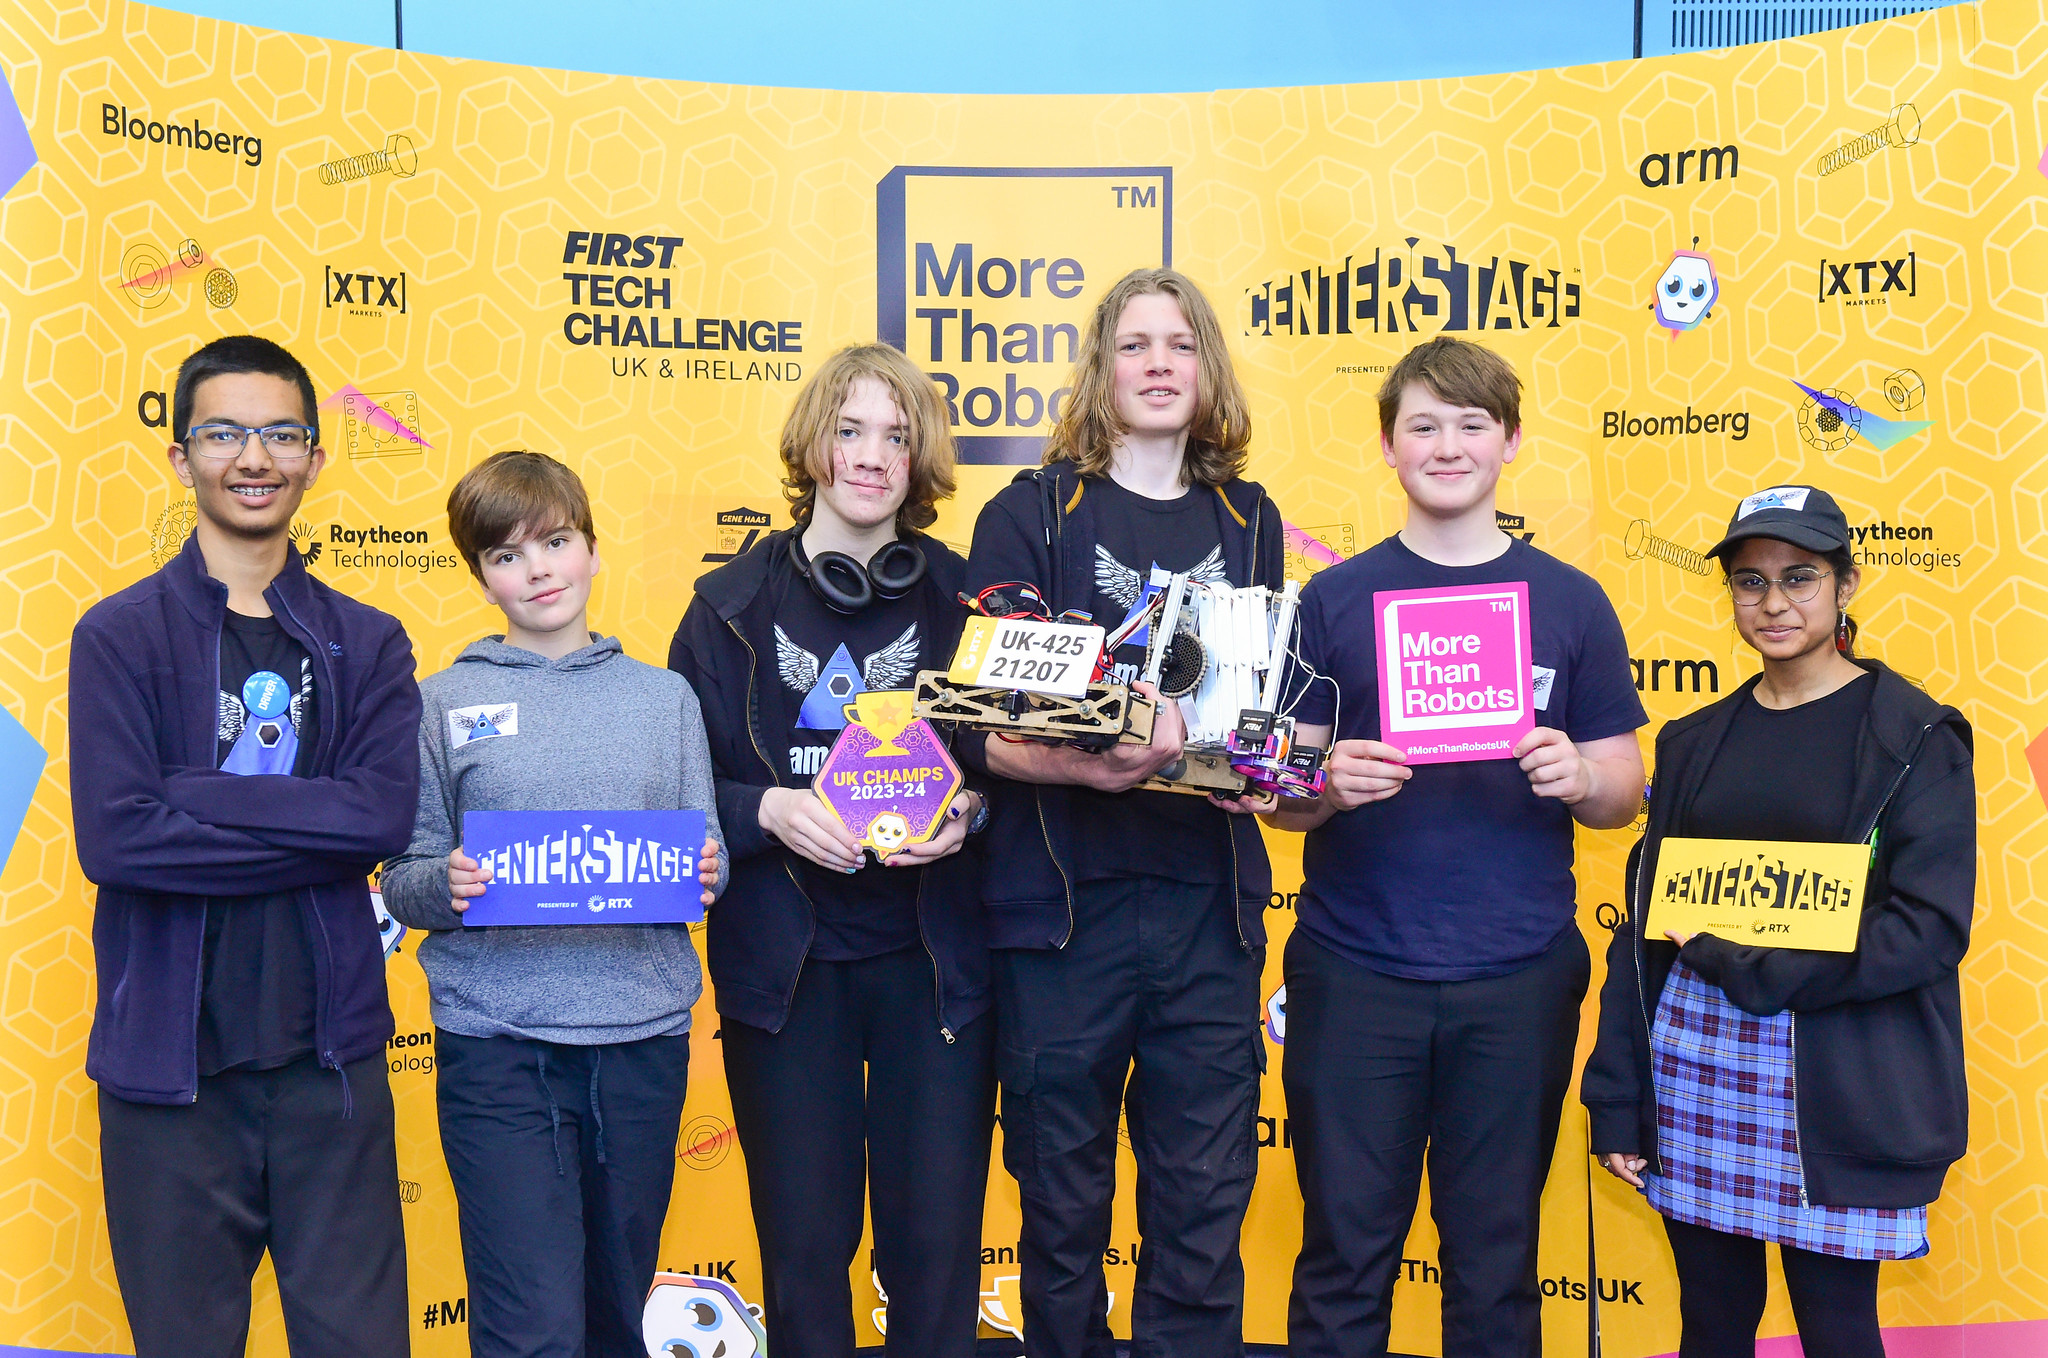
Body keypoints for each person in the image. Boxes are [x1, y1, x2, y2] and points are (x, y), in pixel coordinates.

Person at [1262, 336, 1648, 1357]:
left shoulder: (1568, 601)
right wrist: (1322, 783)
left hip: (1515, 979)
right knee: (1343, 1256)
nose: (1446, 444)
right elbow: (1280, 799)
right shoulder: (1330, 601)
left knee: (1494, 1260)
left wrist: (1581, 776)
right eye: (1422, 425)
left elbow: (1622, 787)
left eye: (1470, 423)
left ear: (1509, 442)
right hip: (1354, 975)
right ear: (1386, 446)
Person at [70, 335, 421, 1357]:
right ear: (181, 456)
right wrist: (317, 823)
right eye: (224, 432)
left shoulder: (370, 640)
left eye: (278, 433)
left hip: (331, 1069)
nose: (252, 456)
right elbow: (119, 837)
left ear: (315, 455)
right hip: (169, 1078)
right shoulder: (119, 635)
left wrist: (194, 794)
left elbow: (381, 820)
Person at [959, 268, 1285, 1358]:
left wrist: (1265, 765)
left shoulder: (1250, 517)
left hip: (1209, 909)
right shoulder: (1025, 513)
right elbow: (983, 723)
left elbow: (1254, 704)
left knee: (1201, 1200)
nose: (1157, 365)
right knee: (1059, 1198)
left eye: (1180, 344)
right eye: (1134, 345)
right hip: (1059, 912)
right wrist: (1088, 766)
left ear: (1207, 369)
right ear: (1098, 369)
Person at [1583, 485, 1974, 1358]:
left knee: (1837, 1329)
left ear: (1847, 585)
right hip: (1696, 1065)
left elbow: (1927, 928)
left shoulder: (1916, 736)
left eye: (1800, 578)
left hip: (1841, 1082)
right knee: (1713, 1325)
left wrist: (1760, 965)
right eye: (1749, 583)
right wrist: (1619, 1096)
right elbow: (1643, 935)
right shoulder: (1692, 739)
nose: (1774, 604)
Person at [667, 344, 993, 1358]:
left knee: (935, 1252)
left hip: (934, 969)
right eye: (850, 429)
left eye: (896, 435)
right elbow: (678, 797)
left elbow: (1008, 764)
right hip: (785, 972)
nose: (870, 454)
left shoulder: (968, 604)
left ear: (920, 458)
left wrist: (967, 814)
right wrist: (764, 808)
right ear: (813, 444)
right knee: (805, 1254)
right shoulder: (725, 608)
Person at [381, 451, 726, 1358]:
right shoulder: (440, 704)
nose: (537, 569)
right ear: (481, 576)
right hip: (500, 1047)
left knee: (617, 1315)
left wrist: (706, 874)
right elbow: (404, 873)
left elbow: (705, 850)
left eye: (557, 542)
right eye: (507, 554)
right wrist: (442, 885)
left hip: (642, 1043)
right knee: (530, 1325)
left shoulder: (665, 697)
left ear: (592, 551)